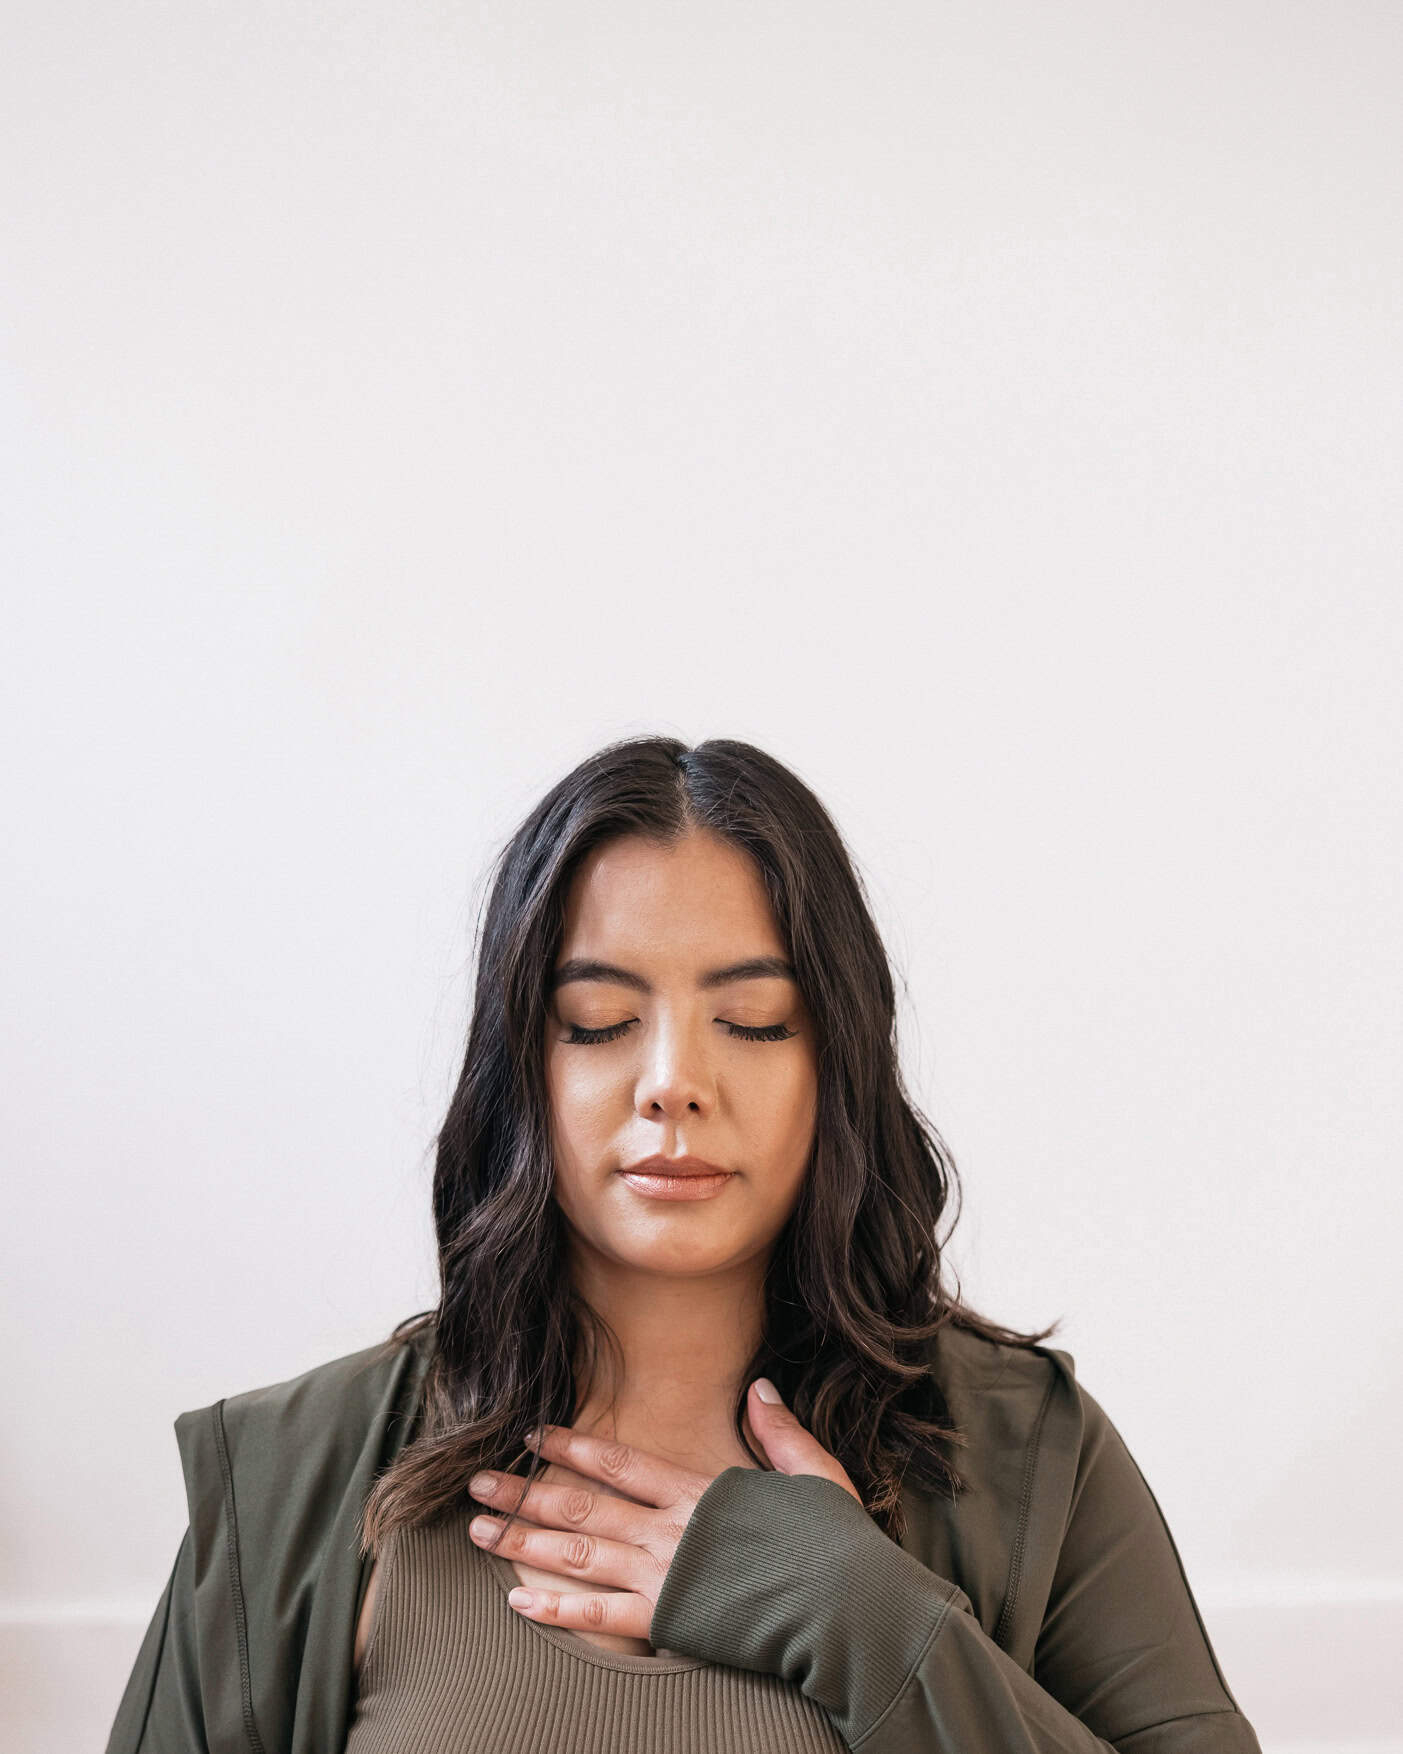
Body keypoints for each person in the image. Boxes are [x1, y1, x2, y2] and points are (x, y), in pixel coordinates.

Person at [106, 735, 1264, 1754]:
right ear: (524, 1065)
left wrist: (861, 1614)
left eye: (752, 1020)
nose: (672, 1082)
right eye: (599, 1021)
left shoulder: (1028, 1454)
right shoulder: (287, 1486)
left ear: (835, 1062)